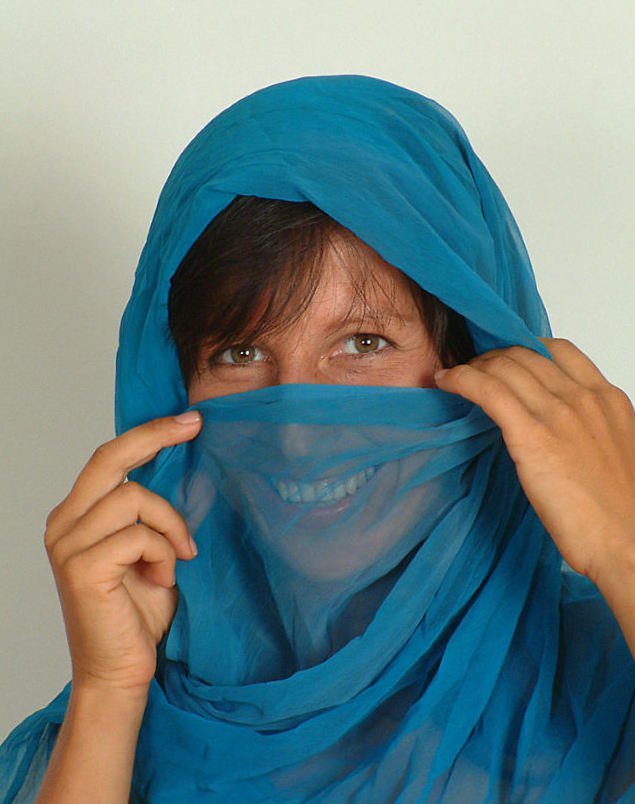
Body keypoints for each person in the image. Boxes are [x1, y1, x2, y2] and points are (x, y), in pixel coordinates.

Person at [1, 75, 634, 802]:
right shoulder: (102, 731)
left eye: (363, 343)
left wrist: (623, 546)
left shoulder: (608, 679)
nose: (297, 436)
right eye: (239, 352)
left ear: (477, 360)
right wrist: (109, 691)